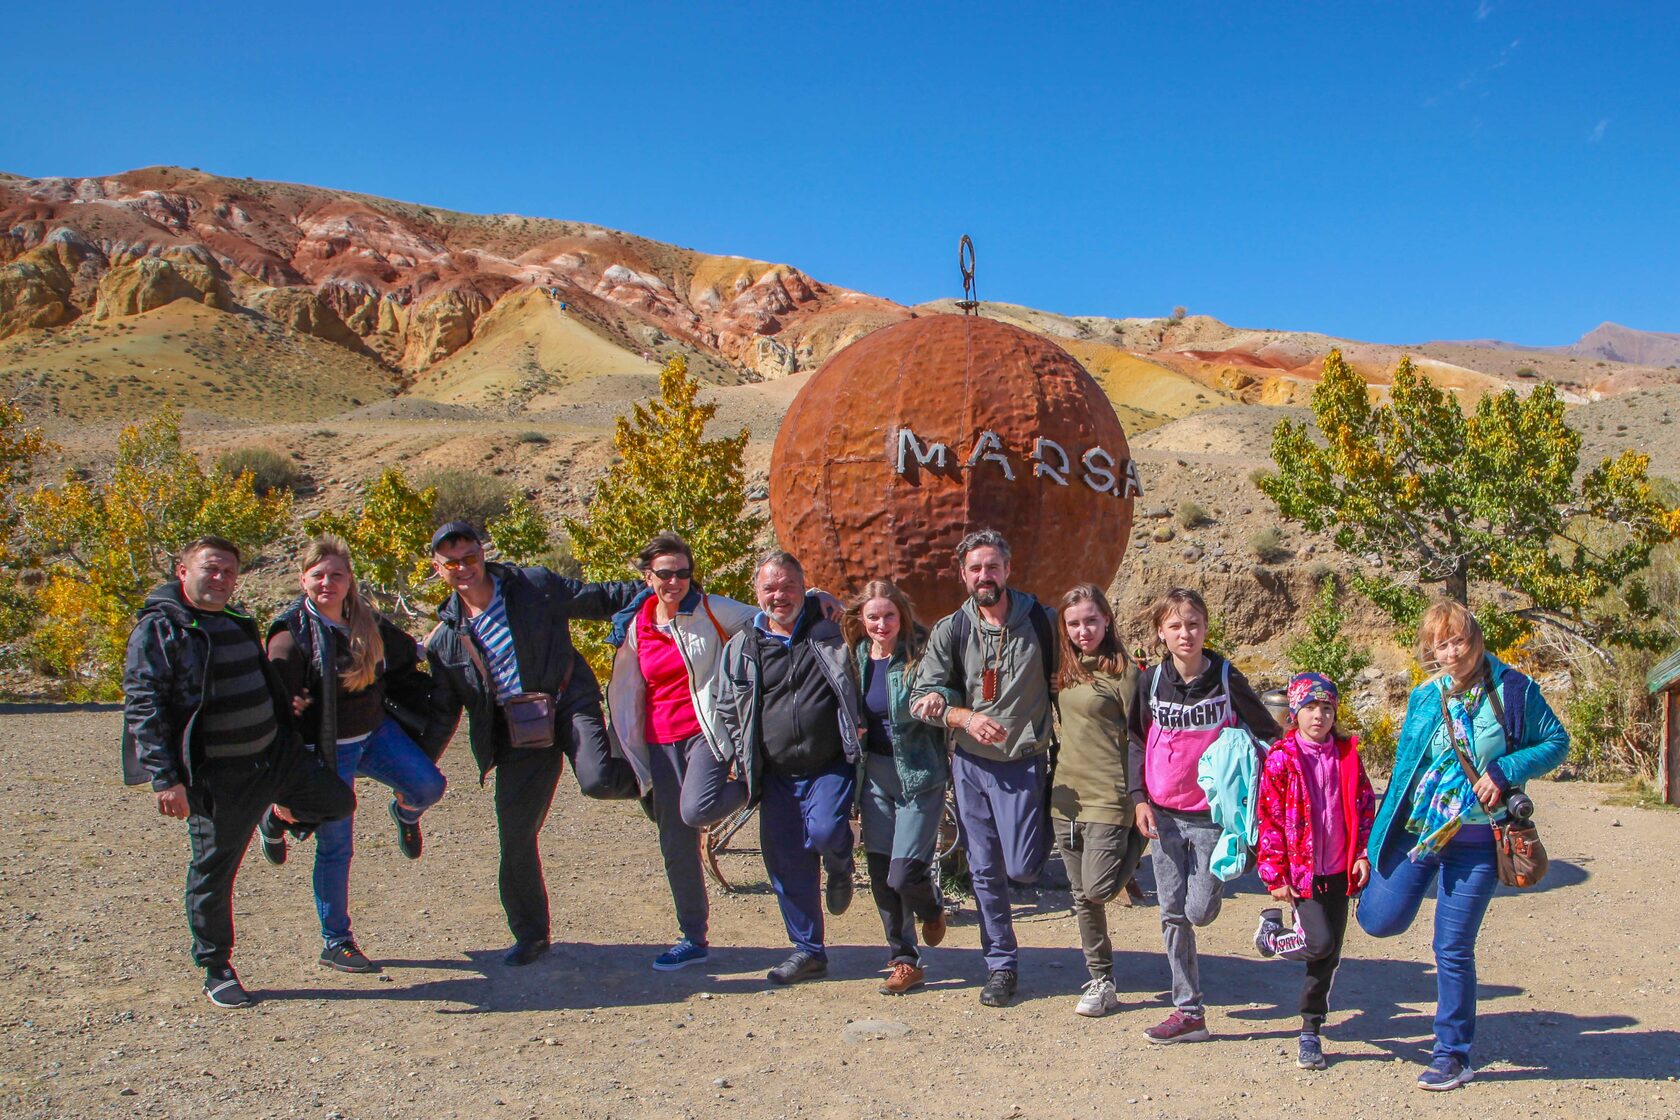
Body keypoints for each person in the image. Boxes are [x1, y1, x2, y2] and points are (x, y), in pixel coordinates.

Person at [121, 537, 354, 1008]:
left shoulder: (236, 620)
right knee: (214, 870)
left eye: (229, 571)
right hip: (218, 775)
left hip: (274, 756)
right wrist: (165, 777)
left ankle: (275, 817)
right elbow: (144, 704)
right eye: (212, 569)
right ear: (182, 571)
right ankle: (215, 966)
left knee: (336, 801)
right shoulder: (161, 629)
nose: (222, 578)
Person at [1356, 601, 1568, 1091]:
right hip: (1421, 831)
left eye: (1460, 640)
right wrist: (1370, 848)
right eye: (1441, 644)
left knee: (1451, 948)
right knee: (1377, 920)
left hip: (1477, 840)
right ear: (1430, 649)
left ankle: (1452, 1053)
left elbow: (1556, 742)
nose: (1453, 653)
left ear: (1476, 636)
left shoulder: (1513, 689)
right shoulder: (1426, 697)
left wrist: (1506, 771)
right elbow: (1405, 773)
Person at [420, 521, 643, 966]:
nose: (464, 568)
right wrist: (417, 771)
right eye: (452, 563)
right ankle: (531, 935)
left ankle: (653, 782)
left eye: (470, 557)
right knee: (516, 837)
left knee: (599, 780)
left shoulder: (533, 586)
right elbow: (444, 712)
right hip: (520, 733)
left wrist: (661, 587)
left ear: (483, 554)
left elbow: (603, 597)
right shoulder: (446, 639)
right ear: (437, 568)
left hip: (567, 700)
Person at [262, 535, 448, 974]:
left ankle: (404, 814)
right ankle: (336, 941)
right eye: (318, 575)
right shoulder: (290, 638)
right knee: (337, 847)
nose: (328, 582)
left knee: (428, 786)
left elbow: (410, 653)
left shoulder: (367, 620)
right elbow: (275, 719)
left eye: (337, 575)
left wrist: (445, 630)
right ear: (302, 578)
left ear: (350, 580)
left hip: (374, 735)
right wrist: (281, 786)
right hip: (326, 750)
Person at [909, 529, 1057, 1009]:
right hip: (971, 765)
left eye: (992, 567)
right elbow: (922, 696)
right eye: (975, 569)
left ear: (1008, 569)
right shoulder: (952, 629)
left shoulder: (1041, 620)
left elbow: (1083, 666)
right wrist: (960, 715)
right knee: (985, 871)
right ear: (963, 575)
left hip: (1025, 763)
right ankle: (1001, 965)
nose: (984, 576)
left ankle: (1045, 844)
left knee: (1021, 867)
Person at [1127, 586, 1281, 1043]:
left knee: (1197, 912)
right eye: (1175, 626)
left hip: (1212, 817)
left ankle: (1245, 856)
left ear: (1206, 627)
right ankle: (1188, 1011)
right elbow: (1136, 739)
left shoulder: (1228, 679)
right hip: (1162, 815)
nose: (1185, 633)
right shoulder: (1150, 682)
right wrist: (1138, 798)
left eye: (1193, 624)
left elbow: (1266, 731)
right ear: (1161, 632)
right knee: (1171, 913)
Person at [604, 532, 758, 972]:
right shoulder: (638, 623)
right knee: (675, 843)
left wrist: (815, 597)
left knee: (697, 810)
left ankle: (753, 786)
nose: (675, 581)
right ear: (647, 576)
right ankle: (693, 937)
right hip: (656, 740)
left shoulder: (711, 609)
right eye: (665, 574)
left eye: (683, 573)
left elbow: (771, 616)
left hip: (705, 733)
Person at [710, 551, 861, 985]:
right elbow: (726, 702)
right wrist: (739, 756)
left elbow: (877, 614)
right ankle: (808, 950)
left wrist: (827, 598)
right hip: (774, 772)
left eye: (789, 586)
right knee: (785, 861)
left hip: (828, 764)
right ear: (756, 593)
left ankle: (839, 865)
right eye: (770, 588)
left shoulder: (831, 629)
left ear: (804, 585)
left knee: (828, 831)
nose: (780, 596)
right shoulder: (742, 646)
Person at [1252, 672, 1375, 1070]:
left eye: (1326, 708)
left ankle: (1310, 1030)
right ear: (1294, 712)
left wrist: (1362, 854)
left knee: (1330, 955)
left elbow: (1365, 805)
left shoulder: (1347, 754)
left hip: (1340, 870)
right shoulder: (1282, 758)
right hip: (1302, 873)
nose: (1318, 716)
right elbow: (1268, 818)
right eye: (1309, 708)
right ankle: (1272, 939)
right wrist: (1275, 874)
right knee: (1319, 943)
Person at [841, 579, 950, 996]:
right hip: (875, 776)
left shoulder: (921, 655)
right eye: (873, 616)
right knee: (881, 872)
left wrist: (939, 698)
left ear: (902, 615)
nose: (881, 623)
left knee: (905, 872)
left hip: (920, 774)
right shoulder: (856, 657)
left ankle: (932, 907)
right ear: (861, 619)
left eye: (889, 615)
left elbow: (945, 684)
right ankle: (904, 959)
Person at [1049, 583, 1142, 1018]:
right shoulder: (1064, 670)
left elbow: (1142, 736)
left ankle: (1141, 842)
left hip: (1110, 796)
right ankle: (1101, 979)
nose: (1083, 630)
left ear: (1107, 619)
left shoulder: (1126, 672)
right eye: (1074, 623)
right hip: (1066, 797)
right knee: (1080, 896)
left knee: (1099, 888)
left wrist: (1143, 799)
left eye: (1091, 620)